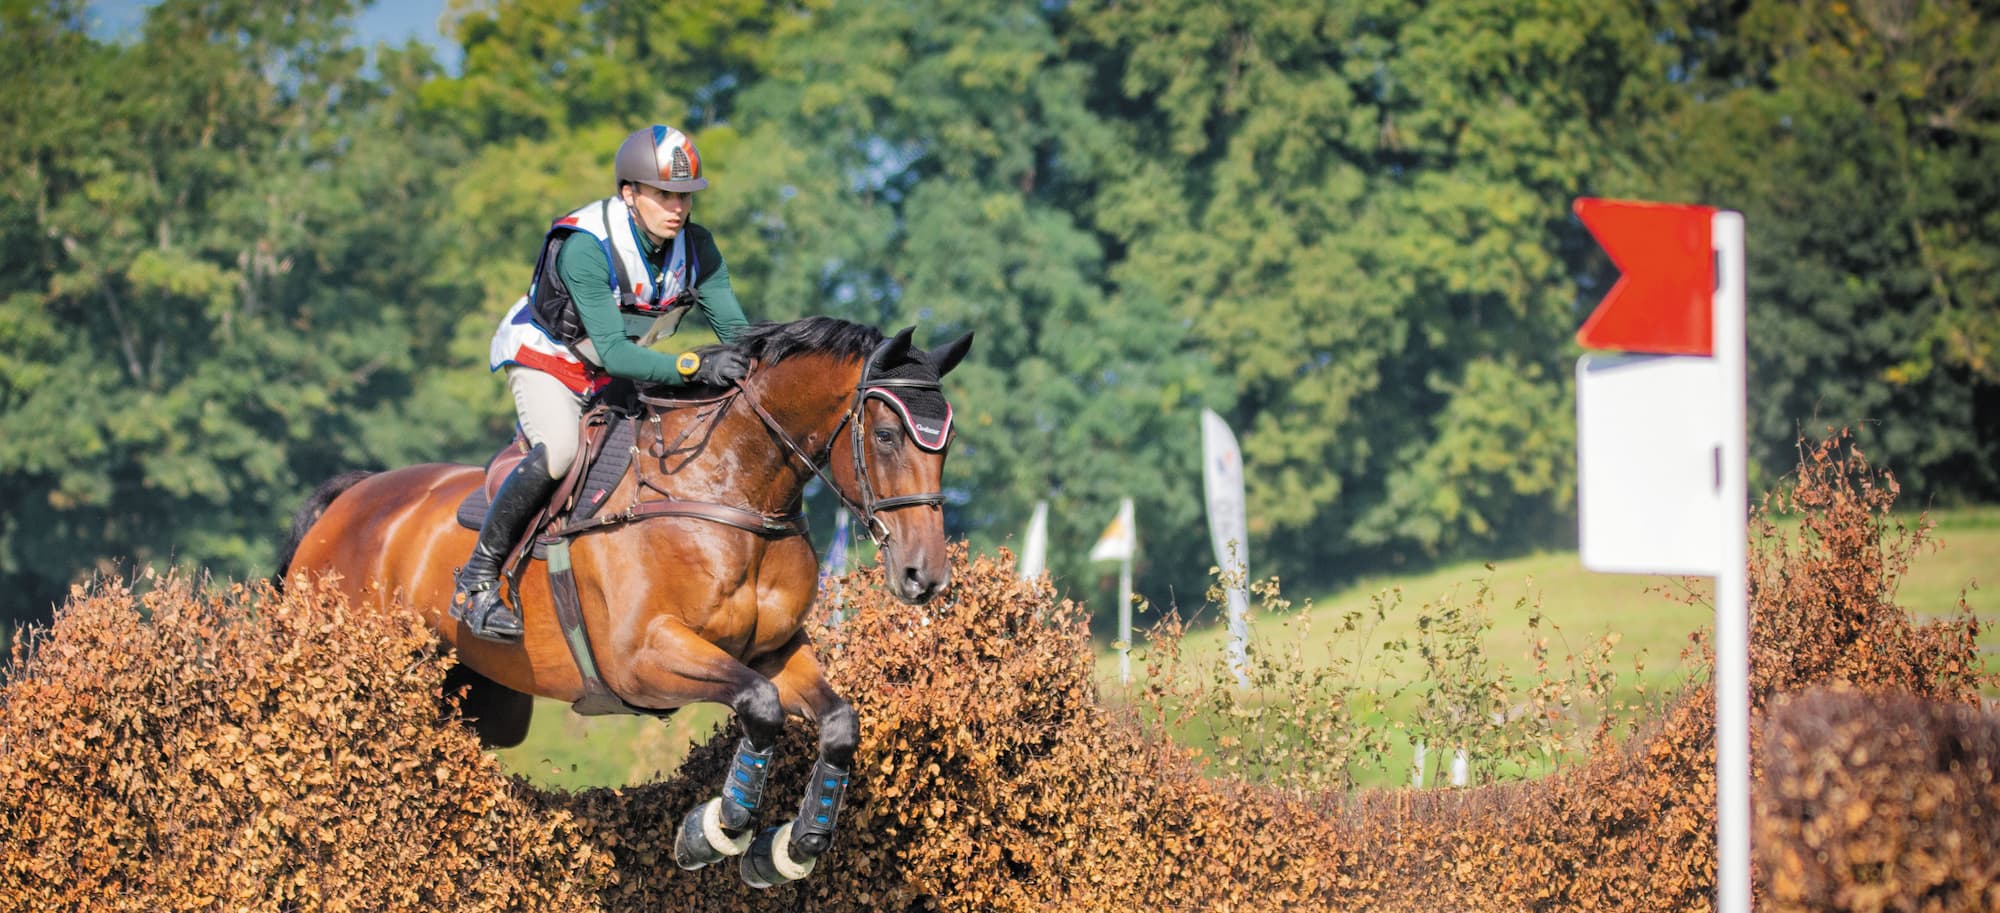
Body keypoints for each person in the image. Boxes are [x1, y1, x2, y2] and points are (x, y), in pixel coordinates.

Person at [453, 124, 753, 642]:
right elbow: (613, 353)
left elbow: (741, 336)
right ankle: (478, 580)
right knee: (562, 451)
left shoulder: (698, 247)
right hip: (552, 361)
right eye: (663, 195)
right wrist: (693, 368)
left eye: (684, 196)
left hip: (621, 364)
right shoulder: (585, 247)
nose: (677, 208)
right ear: (629, 194)